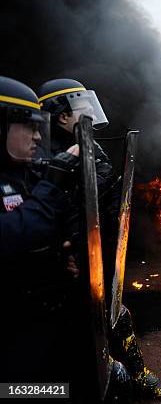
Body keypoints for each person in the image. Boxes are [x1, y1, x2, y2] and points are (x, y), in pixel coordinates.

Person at [39, 78, 161, 400]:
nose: (91, 113)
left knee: (114, 313)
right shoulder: (48, 156)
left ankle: (135, 376)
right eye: (83, 108)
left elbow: (104, 196)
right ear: (62, 116)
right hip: (63, 260)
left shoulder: (87, 146)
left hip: (89, 250)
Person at [0, 76, 92, 397]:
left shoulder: (27, 171)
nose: (38, 136)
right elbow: (14, 234)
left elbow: (58, 221)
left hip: (46, 311)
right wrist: (53, 185)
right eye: (29, 127)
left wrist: (67, 249)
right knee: (27, 391)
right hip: (11, 327)